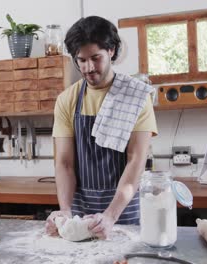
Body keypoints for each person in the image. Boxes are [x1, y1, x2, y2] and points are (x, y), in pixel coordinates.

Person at [45, 16, 158, 239]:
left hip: (123, 210)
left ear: (112, 51)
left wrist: (110, 215)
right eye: (82, 60)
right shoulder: (67, 100)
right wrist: (65, 210)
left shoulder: (136, 96)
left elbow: (136, 159)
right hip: (81, 211)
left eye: (96, 58)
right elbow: (65, 163)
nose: (88, 68)